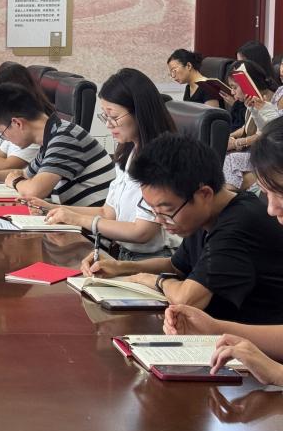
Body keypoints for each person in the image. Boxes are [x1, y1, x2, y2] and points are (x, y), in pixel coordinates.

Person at [86, 133, 283, 324]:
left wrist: (148, 279)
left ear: (204, 194)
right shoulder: (203, 215)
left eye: (166, 211)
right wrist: (120, 267)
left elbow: (186, 299)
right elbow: (176, 266)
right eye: (153, 211)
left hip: (253, 341)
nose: (160, 220)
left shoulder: (240, 224)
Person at [161, 117, 283, 384]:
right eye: (266, 193)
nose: (272, 209)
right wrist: (215, 328)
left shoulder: (241, 219)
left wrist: (276, 372)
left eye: (280, 193)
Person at [38, 69, 176, 261]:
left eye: (114, 116)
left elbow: (141, 232)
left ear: (140, 112)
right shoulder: (129, 151)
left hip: (155, 260)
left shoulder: (162, 158)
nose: (108, 125)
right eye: (105, 116)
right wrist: (52, 208)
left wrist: (77, 219)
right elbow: (107, 212)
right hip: (123, 254)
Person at [0, 83, 115, 205]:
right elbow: (24, 175)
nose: (5, 139)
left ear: (17, 123)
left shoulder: (66, 137)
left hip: (90, 223)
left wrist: (15, 182)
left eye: (2, 133)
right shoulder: (51, 135)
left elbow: (34, 191)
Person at [223, 60, 282, 190]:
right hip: (261, 151)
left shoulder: (277, 98)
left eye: (234, 87)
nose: (232, 92)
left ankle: (230, 195)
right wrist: (254, 110)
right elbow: (261, 129)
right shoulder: (255, 102)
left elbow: (274, 131)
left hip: (271, 154)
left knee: (230, 161)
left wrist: (237, 143)